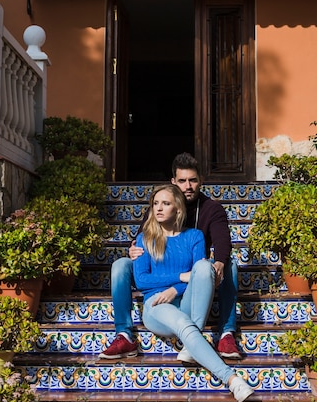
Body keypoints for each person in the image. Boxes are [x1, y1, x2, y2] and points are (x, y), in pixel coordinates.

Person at [100, 152, 240, 360]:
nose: (188, 186)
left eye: (193, 180)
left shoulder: (211, 209)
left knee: (230, 265)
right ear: (173, 182)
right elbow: (142, 236)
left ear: (201, 180)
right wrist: (133, 248)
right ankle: (124, 334)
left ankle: (226, 333)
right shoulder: (162, 204)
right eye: (182, 181)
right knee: (121, 265)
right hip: (165, 268)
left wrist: (218, 262)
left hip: (195, 269)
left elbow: (222, 242)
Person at [131, 184, 253, 402]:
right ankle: (232, 379)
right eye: (156, 203)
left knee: (206, 266)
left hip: (185, 301)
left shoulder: (195, 237)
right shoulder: (145, 239)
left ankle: (190, 345)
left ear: (178, 209)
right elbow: (142, 280)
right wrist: (179, 278)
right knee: (185, 324)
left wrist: (174, 290)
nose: (158, 208)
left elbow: (198, 277)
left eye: (165, 203)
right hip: (156, 306)